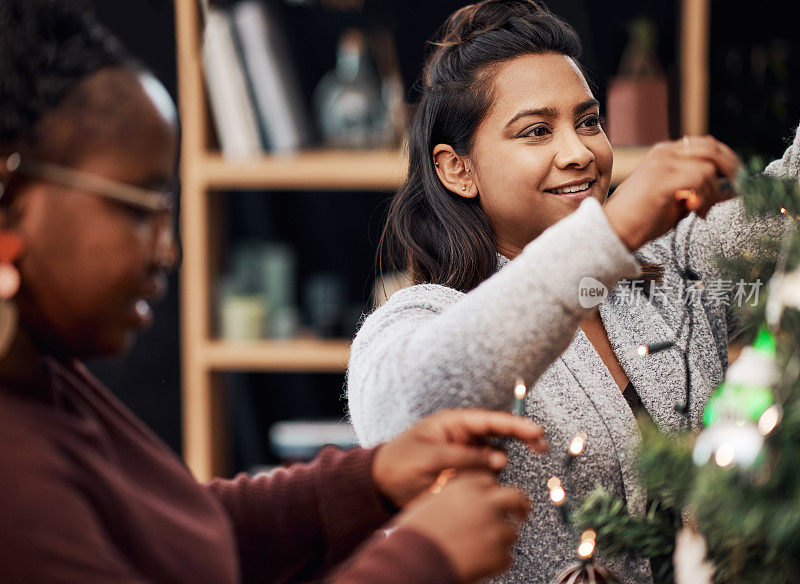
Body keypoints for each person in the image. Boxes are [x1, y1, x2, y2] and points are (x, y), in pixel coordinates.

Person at [0, 2, 550, 583]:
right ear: (9, 196)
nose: (168, 251)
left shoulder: (46, 377)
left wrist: (376, 478)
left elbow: (179, 532)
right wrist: (422, 557)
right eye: (141, 207)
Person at [346, 0, 800, 582]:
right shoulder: (419, 316)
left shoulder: (667, 268)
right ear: (457, 168)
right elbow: (406, 405)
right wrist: (609, 232)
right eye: (537, 131)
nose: (580, 151)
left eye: (588, 122)